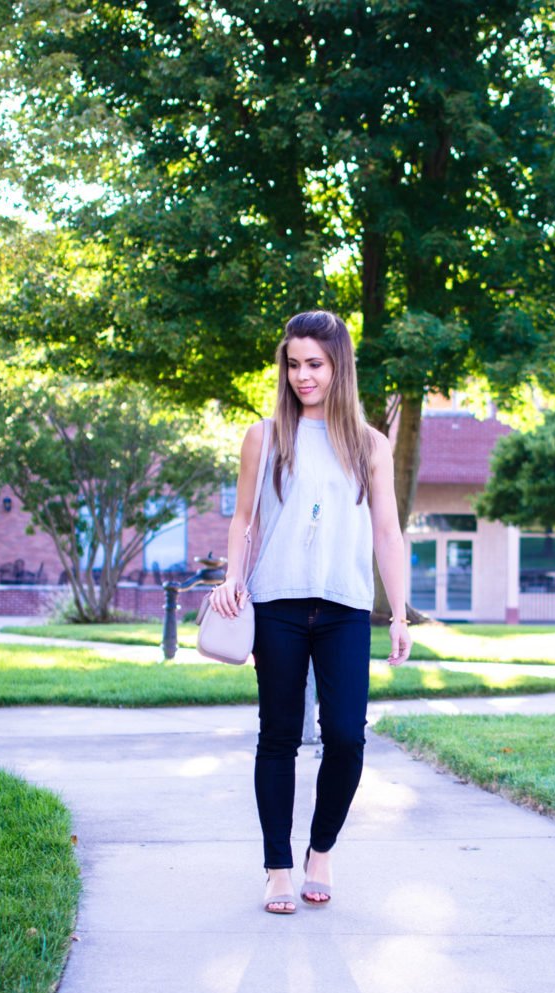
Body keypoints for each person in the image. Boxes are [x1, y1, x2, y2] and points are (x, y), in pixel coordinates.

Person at [208, 310, 412, 914]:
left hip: (346, 607)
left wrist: (397, 613)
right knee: (278, 737)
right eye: (293, 364)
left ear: (338, 366)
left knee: (347, 737)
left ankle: (319, 852)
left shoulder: (370, 444)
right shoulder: (264, 436)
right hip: (276, 604)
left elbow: (387, 531)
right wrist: (232, 580)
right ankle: (277, 867)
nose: (302, 376)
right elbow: (244, 518)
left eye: (314, 364)